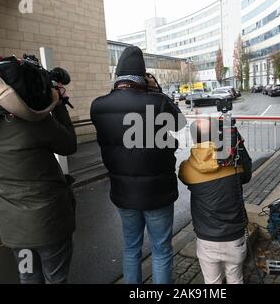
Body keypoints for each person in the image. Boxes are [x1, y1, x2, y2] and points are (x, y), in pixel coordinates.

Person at [0, 53, 77, 284]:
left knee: (28, 277)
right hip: (50, 223)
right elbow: (68, 144)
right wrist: (58, 105)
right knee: (55, 279)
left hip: (15, 230)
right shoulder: (28, 118)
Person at [90, 46, 186, 284]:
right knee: (161, 249)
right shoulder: (158, 102)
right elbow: (180, 123)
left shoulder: (98, 106)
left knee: (131, 248)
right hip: (158, 194)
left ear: (118, 75)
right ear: (142, 76)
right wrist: (158, 92)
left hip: (123, 193)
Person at [178, 118, 252, 284]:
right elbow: (246, 175)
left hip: (206, 238)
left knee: (212, 282)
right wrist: (237, 140)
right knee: (236, 279)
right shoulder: (234, 164)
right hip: (235, 236)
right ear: (216, 135)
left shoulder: (186, 169)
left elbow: (184, 176)